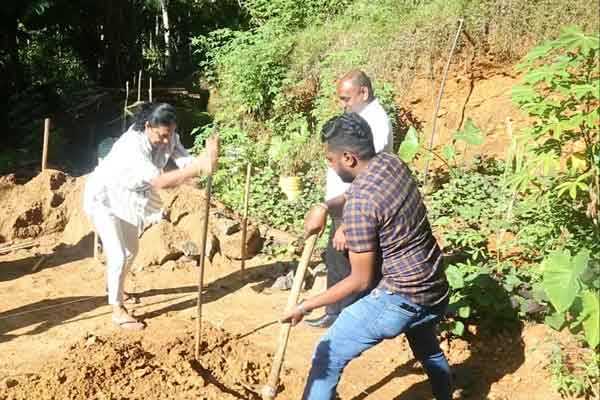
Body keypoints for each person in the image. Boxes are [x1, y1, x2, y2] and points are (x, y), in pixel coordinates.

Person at [282, 112, 452, 400]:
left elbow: (360, 281)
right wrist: (323, 207)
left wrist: (305, 305)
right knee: (428, 349)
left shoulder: (361, 206)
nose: (329, 164)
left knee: (327, 354)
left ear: (348, 158)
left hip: (400, 298)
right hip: (434, 286)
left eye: (330, 159)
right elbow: (355, 195)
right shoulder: (390, 163)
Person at [83, 102, 219, 331]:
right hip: (104, 197)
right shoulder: (132, 147)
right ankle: (117, 309)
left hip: (128, 198)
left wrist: (206, 161)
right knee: (118, 255)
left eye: (171, 133)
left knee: (131, 251)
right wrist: (199, 167)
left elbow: (185, 161)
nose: (167, 140)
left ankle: (113, 287)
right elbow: (159, 181)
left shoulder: (170, 137)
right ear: (148, 126)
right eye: (162, 135)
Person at [306, 70, 393, 328]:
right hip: (342, 203)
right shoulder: (361, 119)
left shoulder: (376, 123)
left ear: (363, 92)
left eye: (346, 98)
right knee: (337, 260)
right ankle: (336, 313)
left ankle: (342, 318)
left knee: (348, 265)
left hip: (353, 206)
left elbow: (366, 176)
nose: (343, 104)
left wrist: (346, 224)